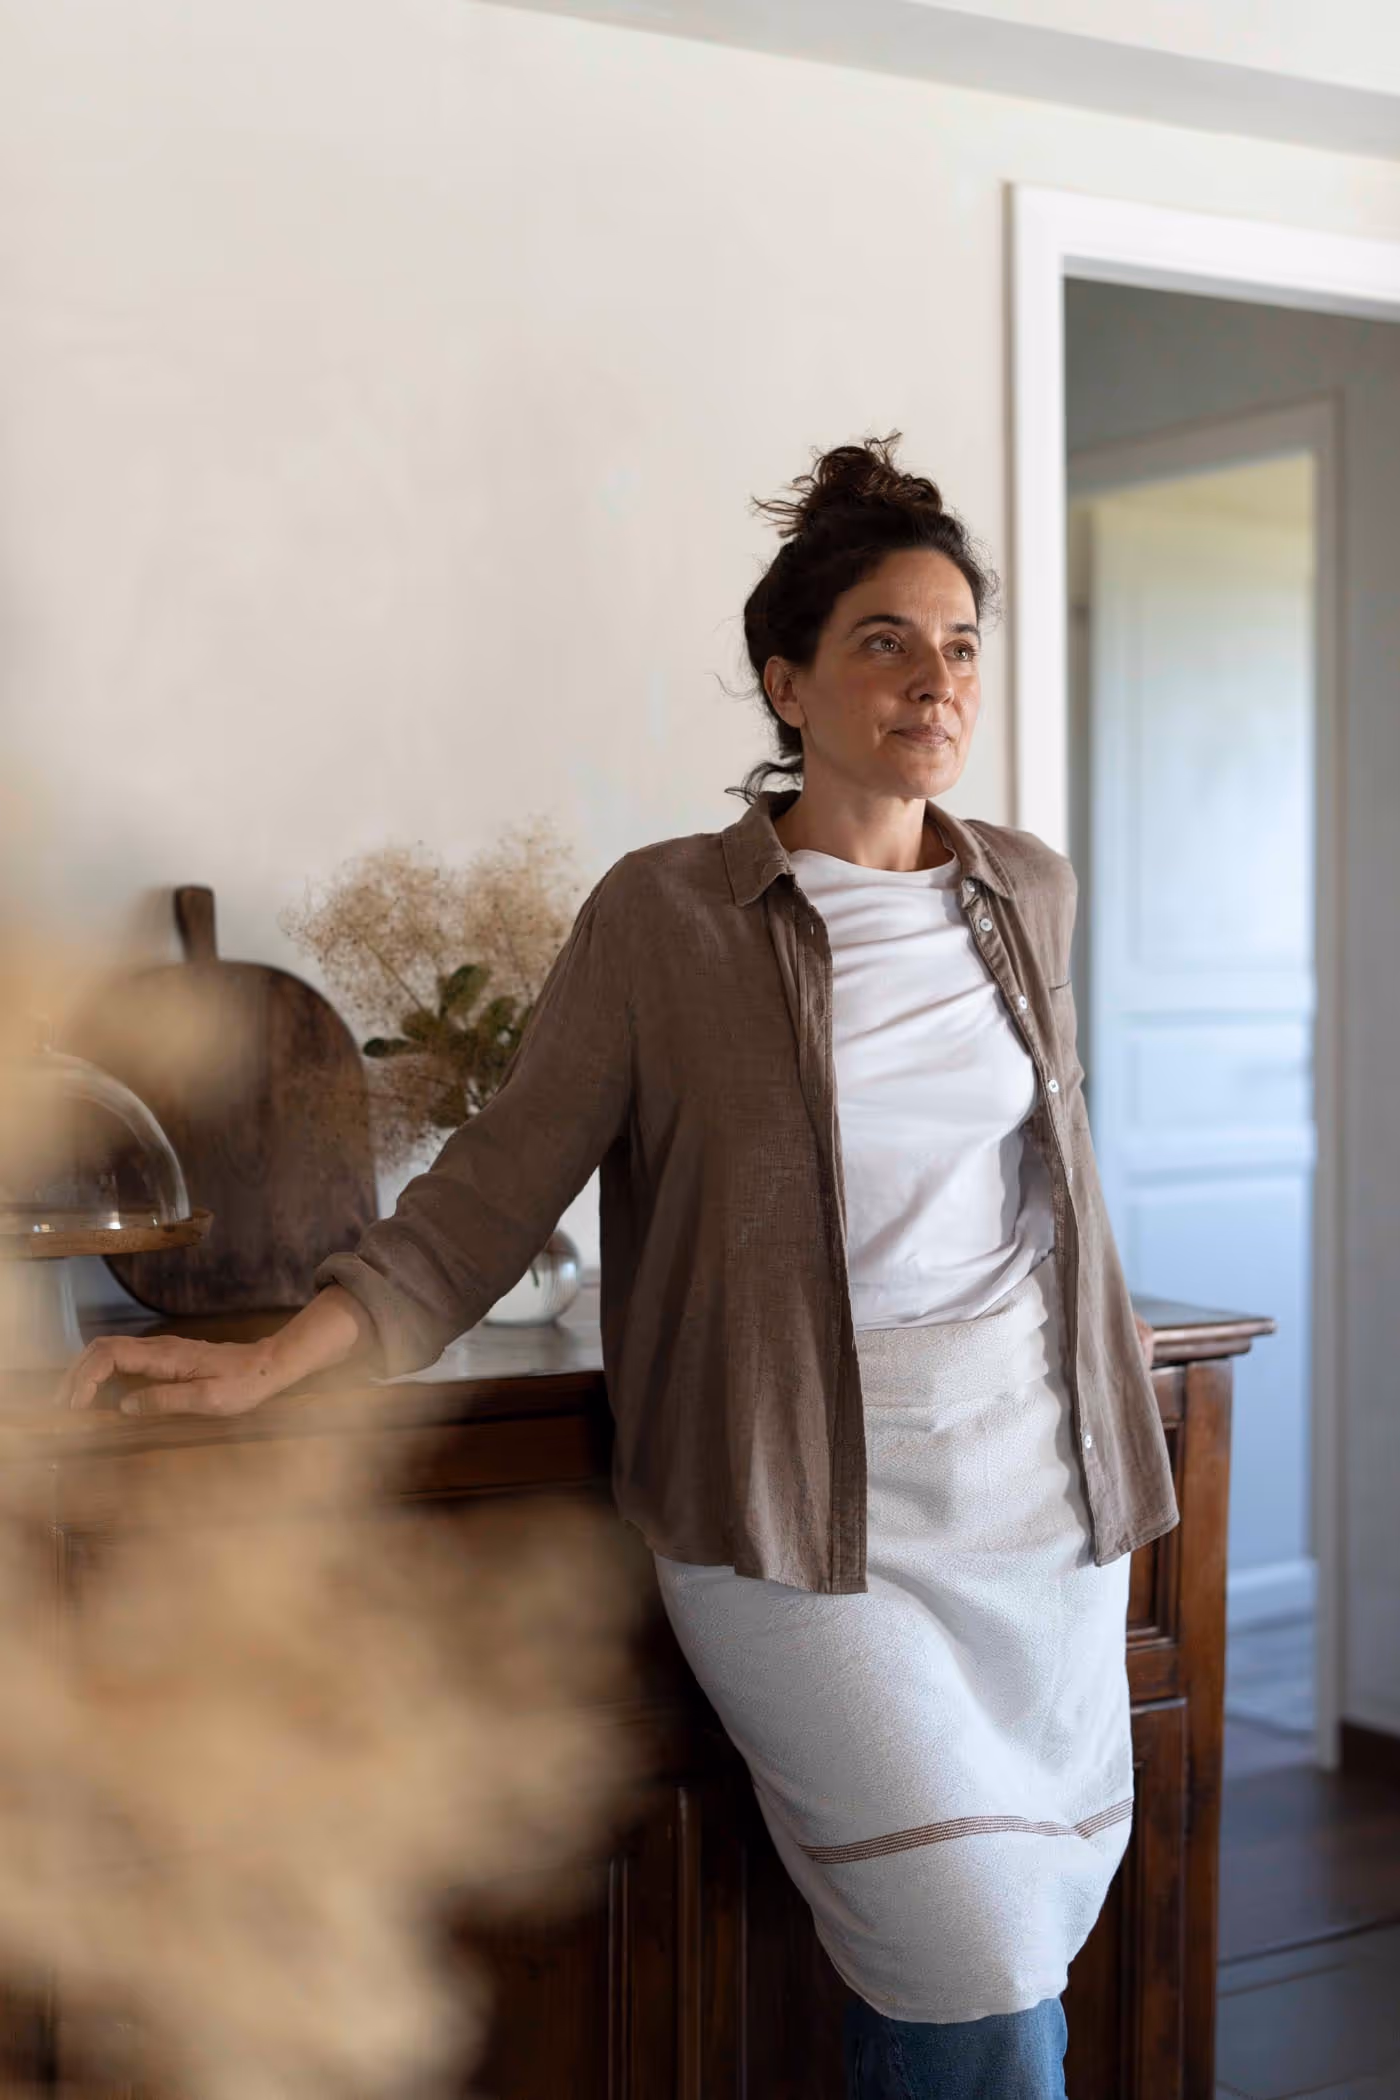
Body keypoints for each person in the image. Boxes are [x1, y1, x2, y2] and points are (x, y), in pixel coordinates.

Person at [57, 431, 1176, 2099]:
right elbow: (499, 1181)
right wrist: (264, 1357)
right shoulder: (670, 919)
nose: (935, 680)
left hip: (1035, 1500)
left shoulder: (1030, 892)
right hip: (793, 1514)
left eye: (958, 645)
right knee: (976, 1959)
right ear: (787, 684)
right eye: (884, 641)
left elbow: (1035, 1190)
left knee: (1017, 1959)